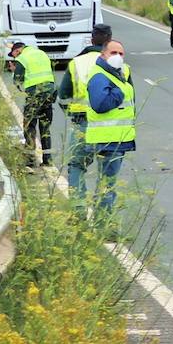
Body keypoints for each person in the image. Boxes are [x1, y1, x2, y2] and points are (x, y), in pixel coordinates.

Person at [58, 22, 114, 207]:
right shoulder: (116, 63)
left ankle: (79, 210)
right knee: (106, 172)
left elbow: (63, 96)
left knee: (76, 165)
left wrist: (72, 113)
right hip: (109, 127)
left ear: (91, 39)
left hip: (83, 124)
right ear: (110, 40)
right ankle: (104, 218)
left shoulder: (76, 63)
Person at [85, 40, 136, 221]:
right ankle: (103, 225)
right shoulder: (100, 76)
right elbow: (100, 104)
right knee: (108, 185)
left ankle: (102, 222)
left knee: (107, 183)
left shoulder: (117, 74)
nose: (117, 57)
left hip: (117, 139)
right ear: (103, 55)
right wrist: (120, 92)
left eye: (121, 54)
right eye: (113, 53)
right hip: (107, 140)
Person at [8, 41, 56, 169]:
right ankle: (48, 160)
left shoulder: (23, 58)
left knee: (29, 125)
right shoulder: (41, 53)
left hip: (35, 94)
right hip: (50, 92)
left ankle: (30, 161)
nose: (15, 59)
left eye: (14, 56)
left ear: (17, 50)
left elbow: (17, 81)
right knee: (45, 126)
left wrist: (14, 70)